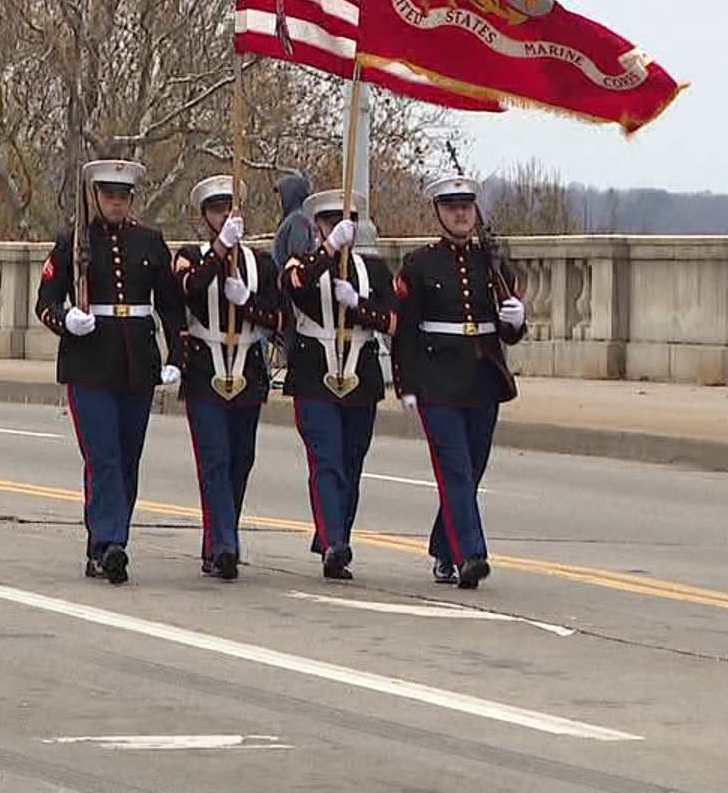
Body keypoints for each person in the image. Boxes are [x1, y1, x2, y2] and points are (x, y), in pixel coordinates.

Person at [34, 159, 185, 585]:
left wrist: (176, 355)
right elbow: (44, 301)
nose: (116, 204)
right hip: (90, 361)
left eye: (123, 197)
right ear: (96, 198)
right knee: (103, 457)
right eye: (109, 196)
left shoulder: (150, 242)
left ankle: (108, 541)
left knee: (127, 459)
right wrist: (66, 321)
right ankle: (107, 542)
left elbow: (171, 306)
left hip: (137, 361)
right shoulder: (73, 242)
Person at [394, 174, 527, 590]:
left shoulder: (495, 264)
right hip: (437, 380)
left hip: (482, 377)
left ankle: (442, 545)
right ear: (439, 213)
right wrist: (406, 384)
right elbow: (406, 330)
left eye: (467, 207)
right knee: (454, 470)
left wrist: (516, 323)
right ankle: (471, 553)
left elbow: (507, 329)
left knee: (472, 470)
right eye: (453, 208)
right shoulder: (420, 265)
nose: (461, 214)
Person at [173, 175, 283, 581]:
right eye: (217, 210)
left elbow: (280, 318)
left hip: (248, 368)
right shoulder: (191, 255)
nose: (224, 216)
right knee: (215, 459)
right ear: (205, 216)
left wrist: (248, 304)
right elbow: (188, 288)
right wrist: (220, 250)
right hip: (205, 365)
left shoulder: (262, 263)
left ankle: (220, 536)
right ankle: (223, 544)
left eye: (230, 209)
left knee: (241, 460)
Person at [279, 189, 392, 580]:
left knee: (351, 462)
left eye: (344, 223)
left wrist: (359, 304)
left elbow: (393, 322)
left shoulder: (373, 271)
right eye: (328, 223)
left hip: (360, 372)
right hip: (314, 372)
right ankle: (333, 543)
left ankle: (336, 532)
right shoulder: (306, 262)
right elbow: (294, 283)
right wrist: (328, 249)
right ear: (317, 226)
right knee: (326, 459)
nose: (340, 229)